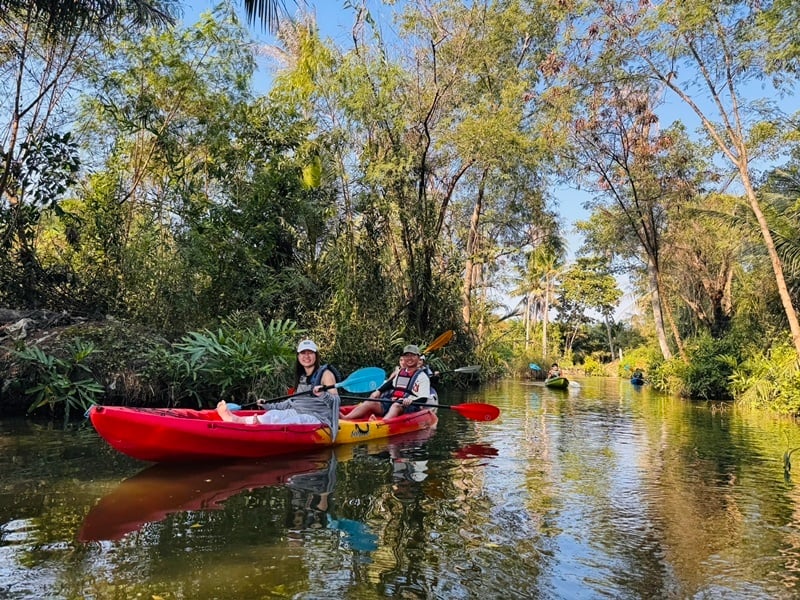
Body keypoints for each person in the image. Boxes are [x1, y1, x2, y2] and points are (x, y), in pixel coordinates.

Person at [216, 339, 340, 436]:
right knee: (273, 415)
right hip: (297, 411)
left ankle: (260, 429)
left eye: (310, 352)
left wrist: (323, 394)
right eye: (303, 353)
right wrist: (267, 406)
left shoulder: (326, 374)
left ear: (316, 355)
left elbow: (336, 401)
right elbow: (292, 402)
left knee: (293, 421)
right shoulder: (302, 377)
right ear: (298, 356)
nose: (306, 356)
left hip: (317, 417)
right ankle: (235, 419)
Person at [342, 344, 432, 420]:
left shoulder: (422, 377)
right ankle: (346, 418)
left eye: (413, 355)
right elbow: (390, 385)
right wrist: (379, 391)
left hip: (409, 406)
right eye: (407, 355)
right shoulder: (401, 372)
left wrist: (411, 401)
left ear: (418, 357)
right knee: (370, 401)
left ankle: (382, 423)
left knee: (395, 406)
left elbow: (423, 398)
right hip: (392, 401)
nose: (409, 358)